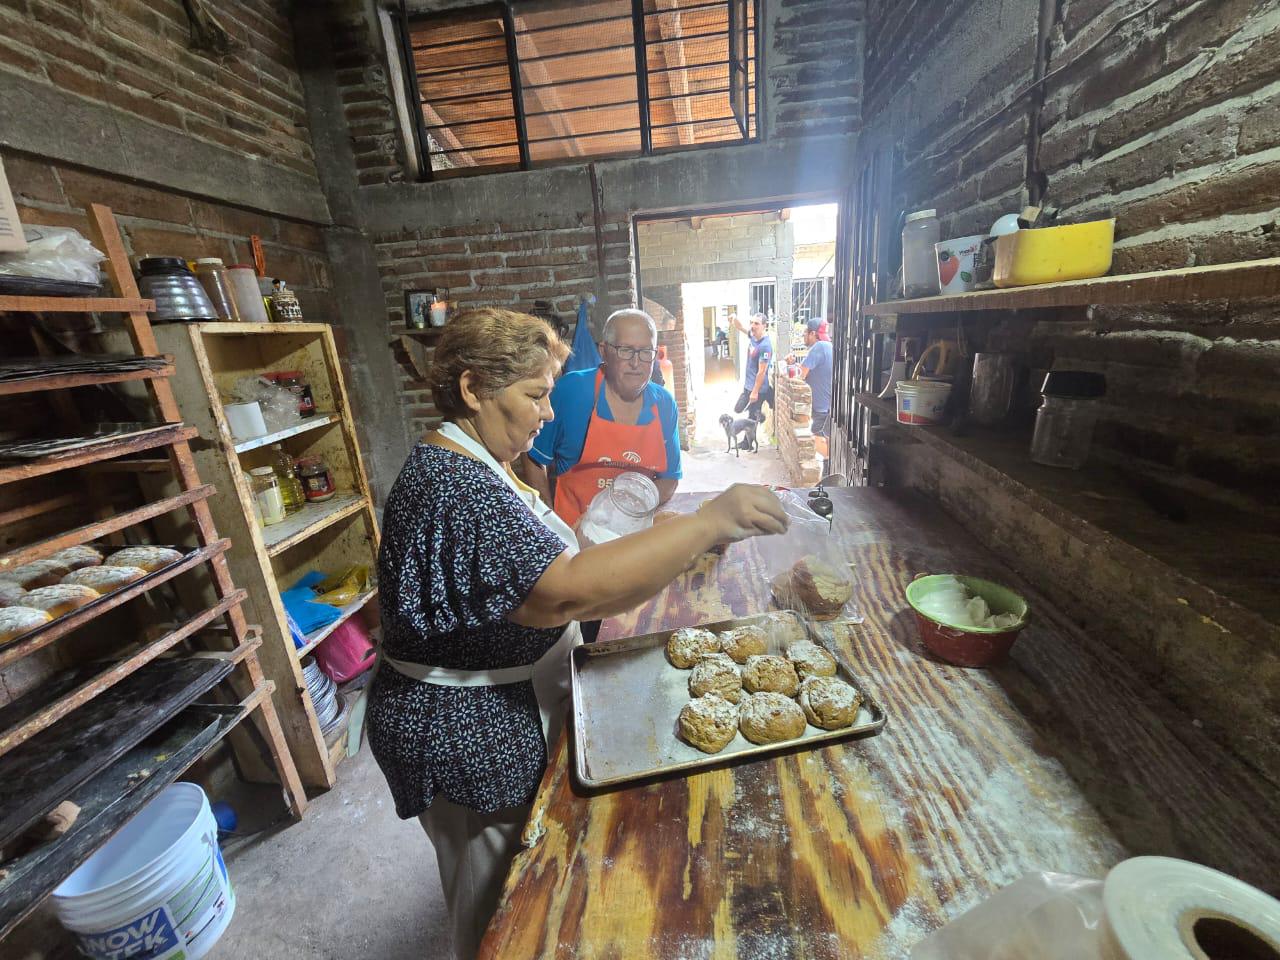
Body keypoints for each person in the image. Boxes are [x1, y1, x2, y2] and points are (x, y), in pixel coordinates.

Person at [368, 307, 787, 960]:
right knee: (501, 912)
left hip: (499, 696)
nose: (545, 414)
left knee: (524, 883)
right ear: (475, 389)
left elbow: (589, 584)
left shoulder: (478, 461)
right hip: (466, 728)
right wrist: (707, 522)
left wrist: (668, 549)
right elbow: (560, 593)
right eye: (533, 395)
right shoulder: (455, 485)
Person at [521, 308, 681, 527]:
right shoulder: (572, 392)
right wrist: (550, 520)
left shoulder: (664, 404)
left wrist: (627, 514)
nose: (636, 363)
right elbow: (533, 458)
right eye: (626, 350)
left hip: (634, 531)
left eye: (646, 352)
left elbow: (670, 477)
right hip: (574, 532)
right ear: (604, 352)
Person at [788, 318, 834, 438]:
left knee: (818, 441)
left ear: (812, 333)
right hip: (828, 406)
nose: (803, 335)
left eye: (805, 332)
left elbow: (800, 375)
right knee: (826, 440)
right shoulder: (828, 346)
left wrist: (790, 365)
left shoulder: (819, 347)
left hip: (822, 409)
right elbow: (812, 371)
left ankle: (827, 457)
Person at [729, 311, 774, 421]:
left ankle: (747, 438)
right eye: (752, 323)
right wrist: (734, 317)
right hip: (748, 385)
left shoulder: (765, 346)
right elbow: (740, 327)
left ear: (764, 326)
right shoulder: (753, 336)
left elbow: (762, 371)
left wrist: (755, 391)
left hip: (757, 388)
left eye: (757, 324)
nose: (753, 326)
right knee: (738, 409)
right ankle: (763, 410)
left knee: (751, 419)